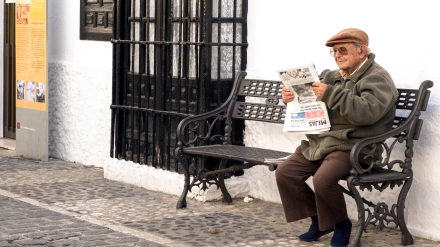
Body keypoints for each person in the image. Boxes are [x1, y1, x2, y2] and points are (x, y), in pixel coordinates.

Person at [276, 28, 398, 246]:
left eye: (343, 50)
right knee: (286, 173)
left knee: (322, 179)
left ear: (361, 51)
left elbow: (368, 113)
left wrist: (331, 94)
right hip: (325, 143)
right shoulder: (332, 76)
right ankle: (320, 222)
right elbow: (313, 104)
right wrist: (290, 98)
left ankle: (341, 224)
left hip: (356, 146)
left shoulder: (378, 77)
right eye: (334, 52)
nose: (338, 55)